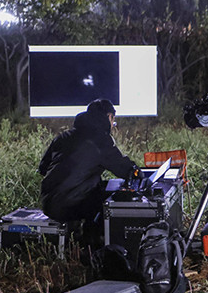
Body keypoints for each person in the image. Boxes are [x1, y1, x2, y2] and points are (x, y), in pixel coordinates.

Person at [38, 99, 137, 234]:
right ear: (108, 116)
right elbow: (123, 169)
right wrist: (138, 173)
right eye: (113, 120)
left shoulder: (63, 137)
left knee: (100, 187)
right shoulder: (101, 140)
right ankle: (93, 245)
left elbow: (43, 169)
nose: (113, 125)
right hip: (69, 205)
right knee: (112, 201)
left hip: (48, 203)